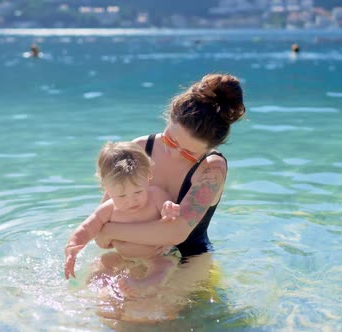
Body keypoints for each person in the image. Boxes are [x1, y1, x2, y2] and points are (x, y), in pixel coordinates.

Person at [94, 73, 246, 269]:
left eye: (188, 153)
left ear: (208, 148)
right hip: (131, 250)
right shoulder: (139, 148)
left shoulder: (211, 170)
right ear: (169, 118)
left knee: (153, 299)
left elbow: (177, 232)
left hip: (188, 259)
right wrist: (107, 233)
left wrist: (111, 231)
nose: (174, 153)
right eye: (170, 141)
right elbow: (102, 220)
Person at [64, 141, 182, 296]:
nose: (131, 200)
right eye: (121, 195)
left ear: (148, 178)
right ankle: (99, 292)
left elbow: (171, 218)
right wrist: (72, 248)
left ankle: (143, 284)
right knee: (101, 267)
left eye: (138, 192)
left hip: (155, 255)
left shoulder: (156, 196)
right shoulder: (108, 209)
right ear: (107, 189)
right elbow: (86, 228)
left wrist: (169, 210)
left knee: (164, 267)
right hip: (123, 255)